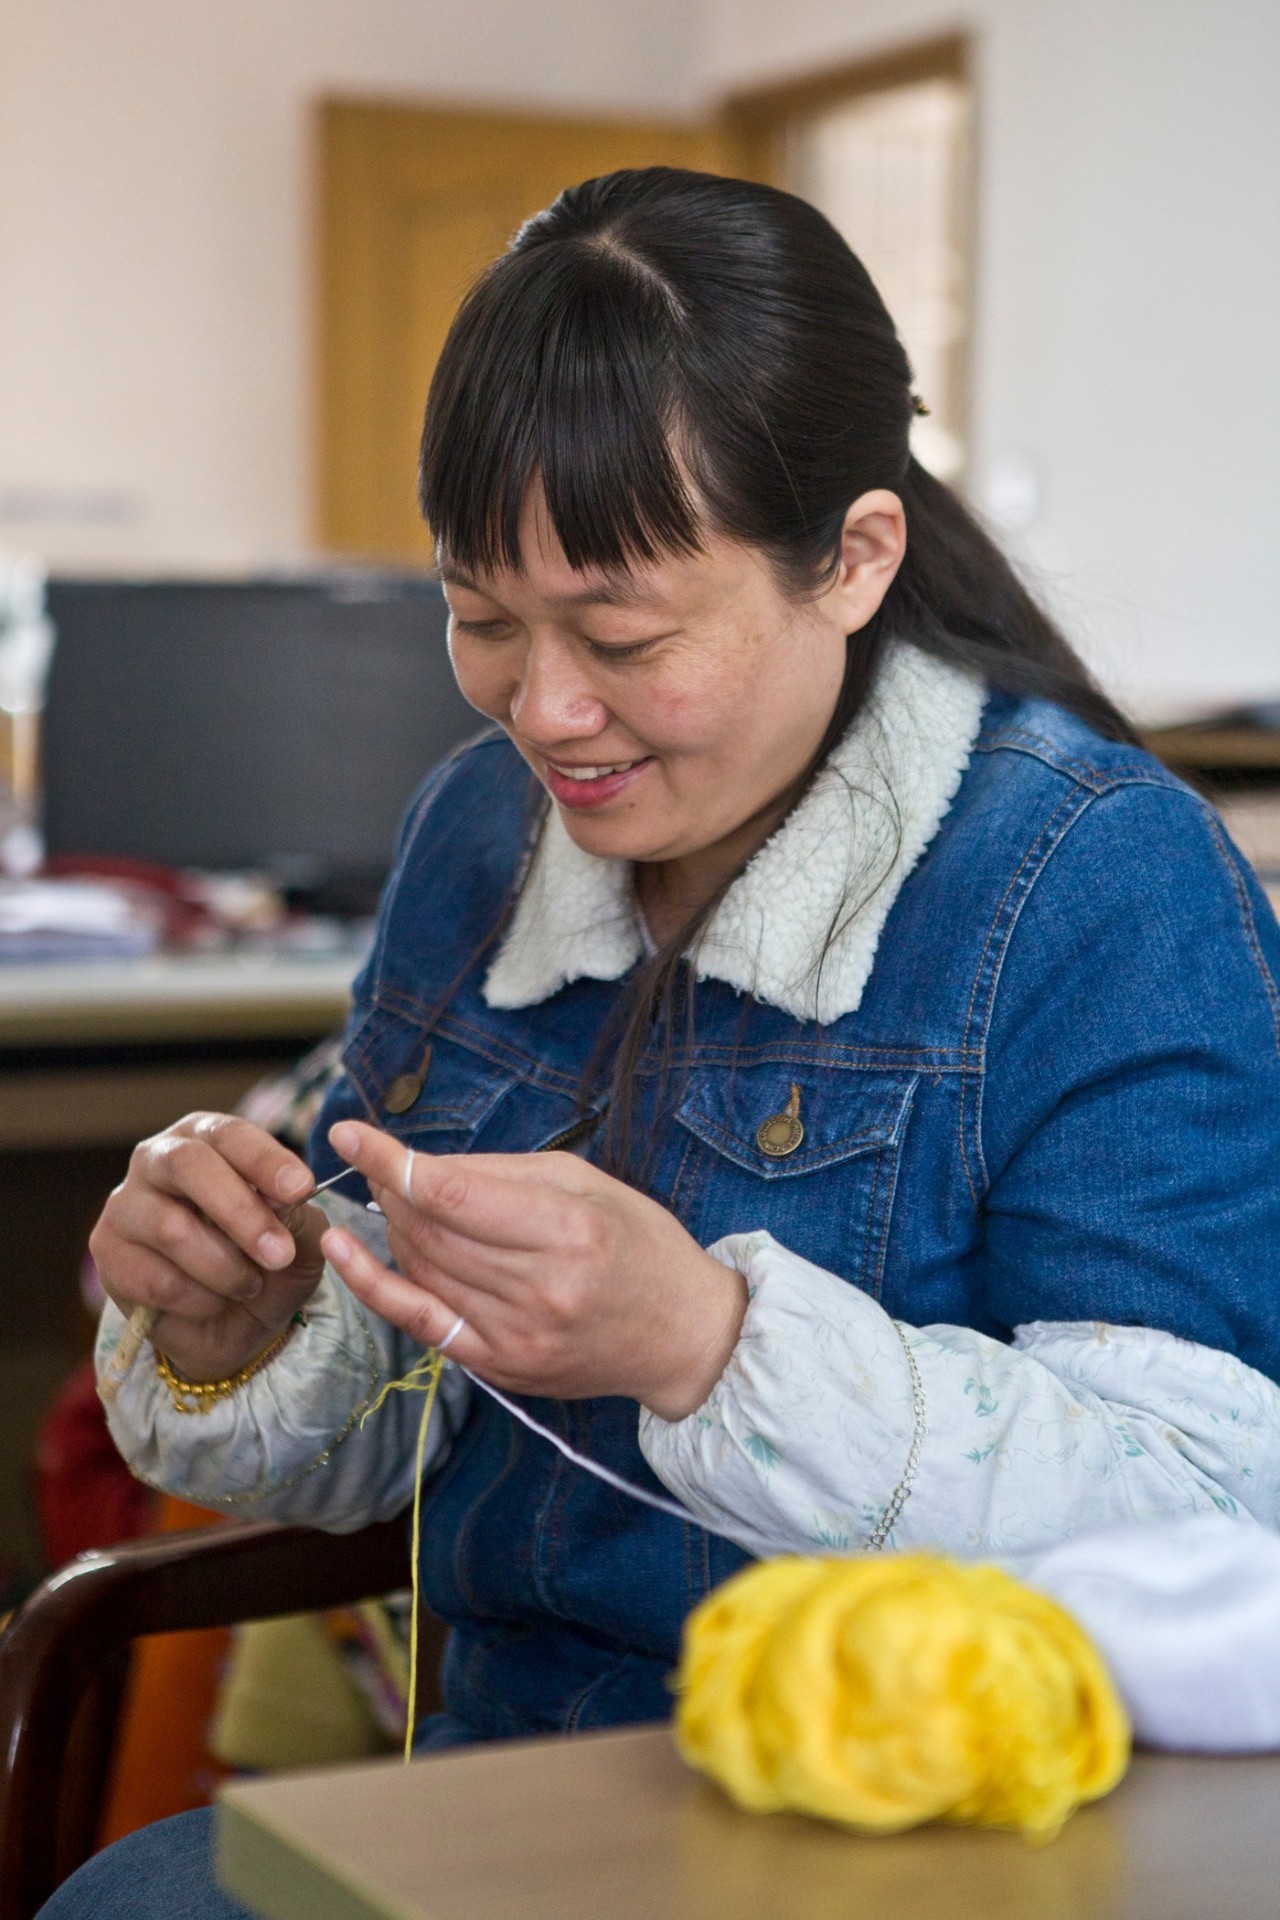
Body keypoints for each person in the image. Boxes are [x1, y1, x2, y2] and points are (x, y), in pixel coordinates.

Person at [46, 168, 1280, 1914]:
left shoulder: (1097, 887)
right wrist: (246, 1324)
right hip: (503, 1797)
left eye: (621, 635)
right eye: (481, 617)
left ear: (854, 559)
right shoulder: (479, 835)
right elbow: (397, 1435)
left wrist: (707, 1342)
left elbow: (1223, 1531)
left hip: (919, 1844)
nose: (543, 713)